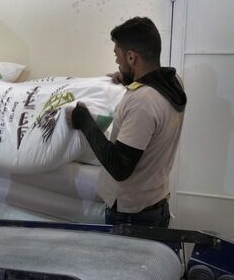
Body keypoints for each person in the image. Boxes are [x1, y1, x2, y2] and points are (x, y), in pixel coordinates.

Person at [66, 17, 187, 227]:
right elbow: (151, 95)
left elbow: (119, 167)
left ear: (132, 57)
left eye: (118, 55)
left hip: (132, 217)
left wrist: (84, 121)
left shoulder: (142, 102)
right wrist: (130, 80)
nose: (116, 62)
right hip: (156, 203)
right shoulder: (174, 83)